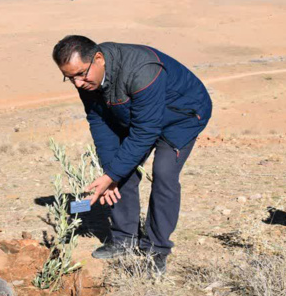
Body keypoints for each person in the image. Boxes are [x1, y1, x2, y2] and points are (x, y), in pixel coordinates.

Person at [52, 36, 211, 274]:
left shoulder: (142, 70)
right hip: (136, 114)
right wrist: (111, 173)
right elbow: (99, 121)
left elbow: (146, 132)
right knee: (118, 168)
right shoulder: (89, 81)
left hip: (182, 116)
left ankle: (157, 248)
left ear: (98, 59)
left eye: (81, 74)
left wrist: (112, 174)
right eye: (70, 77)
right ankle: (124, 238)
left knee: (164, 173)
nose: (77, 83)